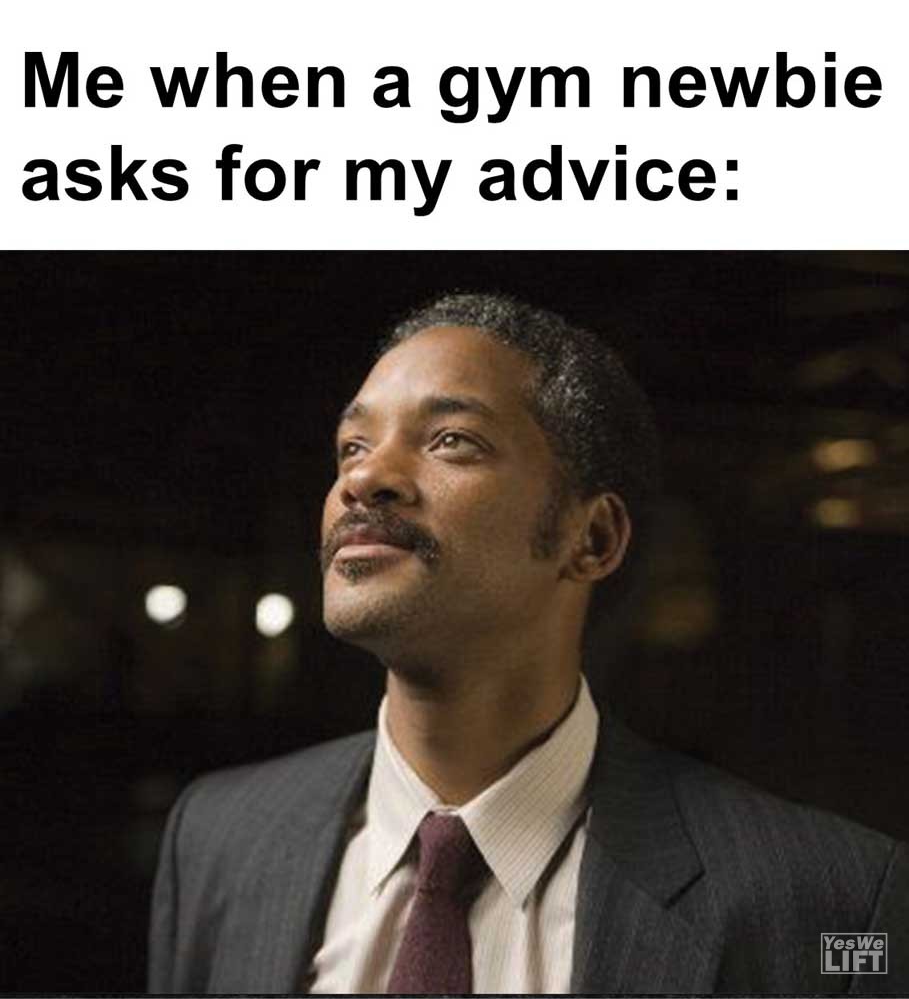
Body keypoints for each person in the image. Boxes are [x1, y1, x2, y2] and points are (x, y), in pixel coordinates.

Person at [148, 293, 908, 995]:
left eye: (451, 440)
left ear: (592, 538)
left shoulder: (832, 902)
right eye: (351, 446)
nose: (366, 476)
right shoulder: (216, 836)